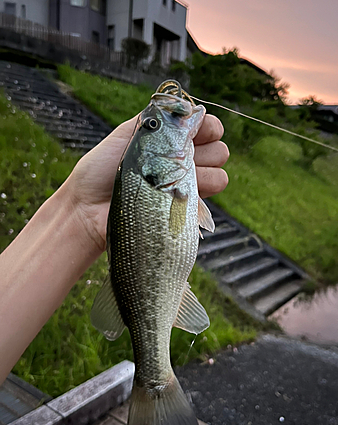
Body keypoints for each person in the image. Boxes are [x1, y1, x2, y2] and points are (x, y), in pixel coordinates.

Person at [0, 114, 229, 384]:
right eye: (152, 124)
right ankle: (156, 382)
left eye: (152, 125)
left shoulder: (166, 175)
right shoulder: (157, 173)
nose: (171, 119)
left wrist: (78, 210)